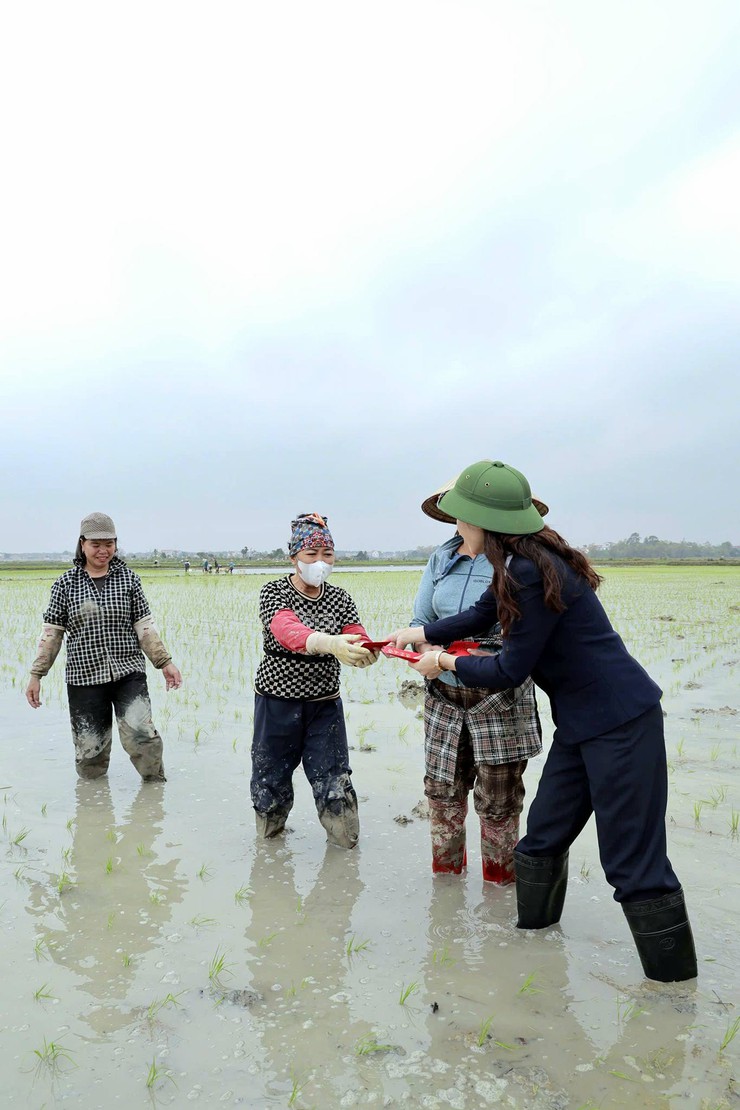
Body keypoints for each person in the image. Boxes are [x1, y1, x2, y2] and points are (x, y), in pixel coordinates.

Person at [392, 461, 697, 983]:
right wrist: (419, 631)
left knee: (632, 866)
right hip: (579, 726)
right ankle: (531, 955)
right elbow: (480, 616)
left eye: (462, 519)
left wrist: (442, 661)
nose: (457, 528)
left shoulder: (532, 570)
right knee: (540, 840)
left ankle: (674, 998)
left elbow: (510, 669)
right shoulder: (521, 562)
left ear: (485, 522)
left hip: (622, 724)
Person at [410, 473, 545, 882]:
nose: (460, 522)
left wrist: (454, 655)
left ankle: (499, 893)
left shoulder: (520, 565)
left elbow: (519, 640)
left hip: (499, 698)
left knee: (499, 804)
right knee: (442, 796)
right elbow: (423, 620)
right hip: (444, 697)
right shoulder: (441, 558)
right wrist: (424, 650)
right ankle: (446, 887)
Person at [251, 512, 378, 848]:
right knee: (270, 784)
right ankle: (269, 843)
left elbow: (355, 631)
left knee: (335, 784)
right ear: (294, 558)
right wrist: (329, 643)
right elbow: (287, 630)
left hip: (324, 705)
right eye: (311, 555)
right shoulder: (274, 592)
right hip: (277, 702)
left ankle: (345, 850)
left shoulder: (339, 598)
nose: (320, 562)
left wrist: (363, 648)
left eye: (328, 555)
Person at [26, 512, 182, 782]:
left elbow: (145, 628)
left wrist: (165, 663)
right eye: (96, 544)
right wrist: (36, 675)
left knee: (141, 734)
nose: (103, 550)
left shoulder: (129, 580)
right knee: (90, 749)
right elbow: (51, 635)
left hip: (127, 672)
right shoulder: (65, 585)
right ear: (82, 544)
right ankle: (92, 803)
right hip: (84, 676)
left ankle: (155, 789)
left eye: (109, 543)